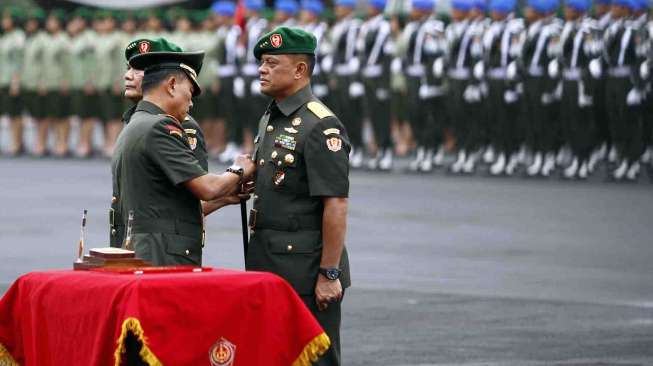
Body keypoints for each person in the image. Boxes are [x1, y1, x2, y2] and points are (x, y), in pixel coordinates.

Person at [246, 27, 351, 366]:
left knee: (314, 356)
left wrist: (329, 273)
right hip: (268, 260)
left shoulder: (320, 125)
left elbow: (335, 204)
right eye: (261, 62)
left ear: (300, 70)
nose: (262, 69)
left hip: (306, 269)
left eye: (271, 63)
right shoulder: (272, 116)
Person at [111, 45, 255, 265]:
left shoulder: (137, 122)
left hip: (145, 250)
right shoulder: (161, 126)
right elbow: (207, 188)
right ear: (171, 85)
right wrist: (239, 169)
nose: (191, 102)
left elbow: (165, 203)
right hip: (161, 255)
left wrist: (225, 198)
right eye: (189, 93)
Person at [110, 37, 211, 247]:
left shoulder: (181, 125)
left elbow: (200, 194)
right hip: (132, 234)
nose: (128, 76)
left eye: (139, 69)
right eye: (128, 68)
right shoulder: (137, 118)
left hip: (159, 241)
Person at [0, 6, 26, 156]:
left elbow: (18, 61)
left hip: (12, 80)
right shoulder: (5, 37)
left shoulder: (18, 36)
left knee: (15, 114)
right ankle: (14, 141)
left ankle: (17, 142)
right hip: (3, 80)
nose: (4, 22)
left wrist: (16, 80)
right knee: (8, 113)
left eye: (7, 19)